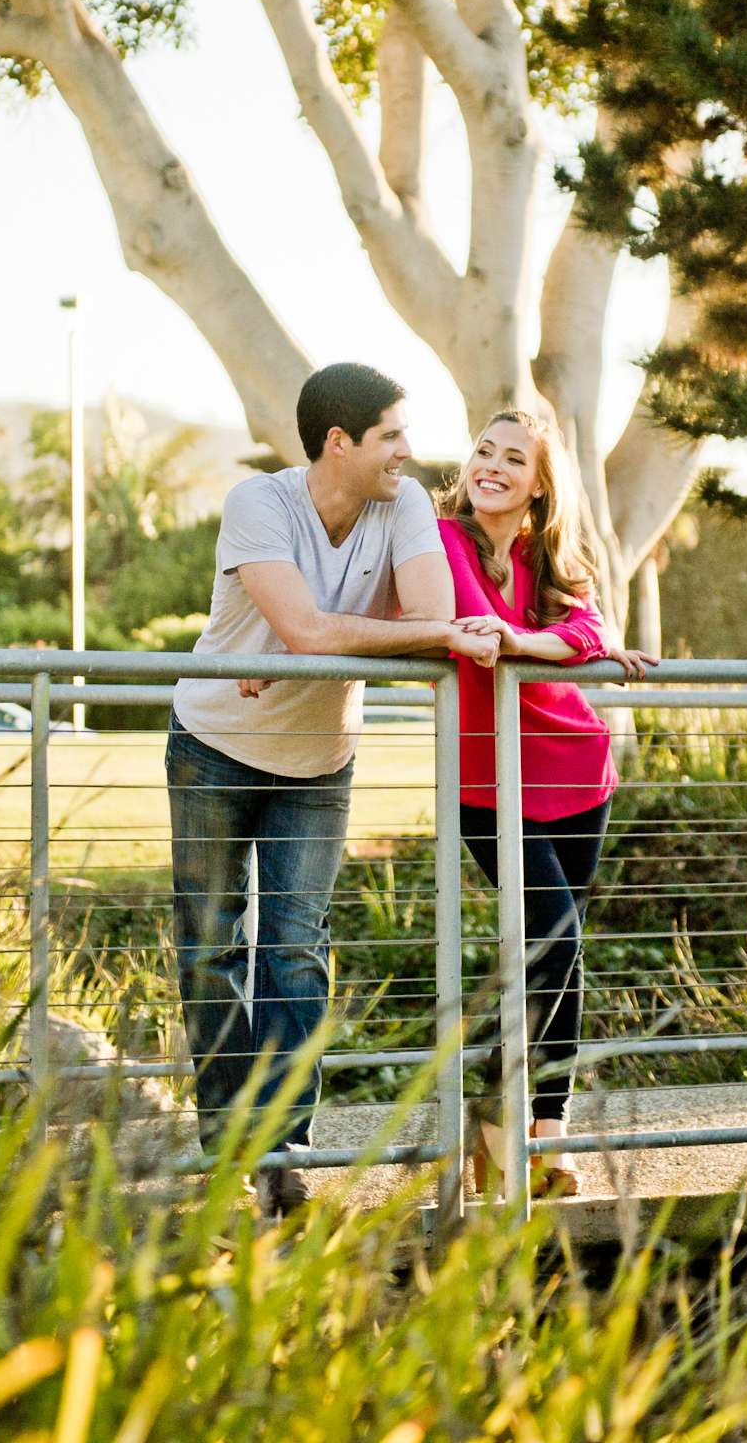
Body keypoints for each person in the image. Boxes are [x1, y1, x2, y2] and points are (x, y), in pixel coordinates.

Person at [168, 362, 500, 1214]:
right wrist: (332, 636)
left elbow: (430, 629)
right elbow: (323, 627)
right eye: (390, 435)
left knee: (294, 952)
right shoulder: (260, 504)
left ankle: (282, 1148)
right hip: (214, 744)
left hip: (318, 762)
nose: (408, 451)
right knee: (212, 946)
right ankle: (224, 1148)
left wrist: (318, 643)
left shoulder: (407, 503)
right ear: (338, 442)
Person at [436, 409, 655, 1198]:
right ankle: (499, 1133)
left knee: (557, 956)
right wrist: (544, 639)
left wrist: (529, 642)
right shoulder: (442, 541)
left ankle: (546, 1138)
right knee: (551, 941)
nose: (490, 466)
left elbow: (586, 631)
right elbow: (467, 625)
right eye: (483, 452)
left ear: (537, 484)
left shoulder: (550, 557)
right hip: (487, 780)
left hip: (575, 766)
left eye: (511, 459)